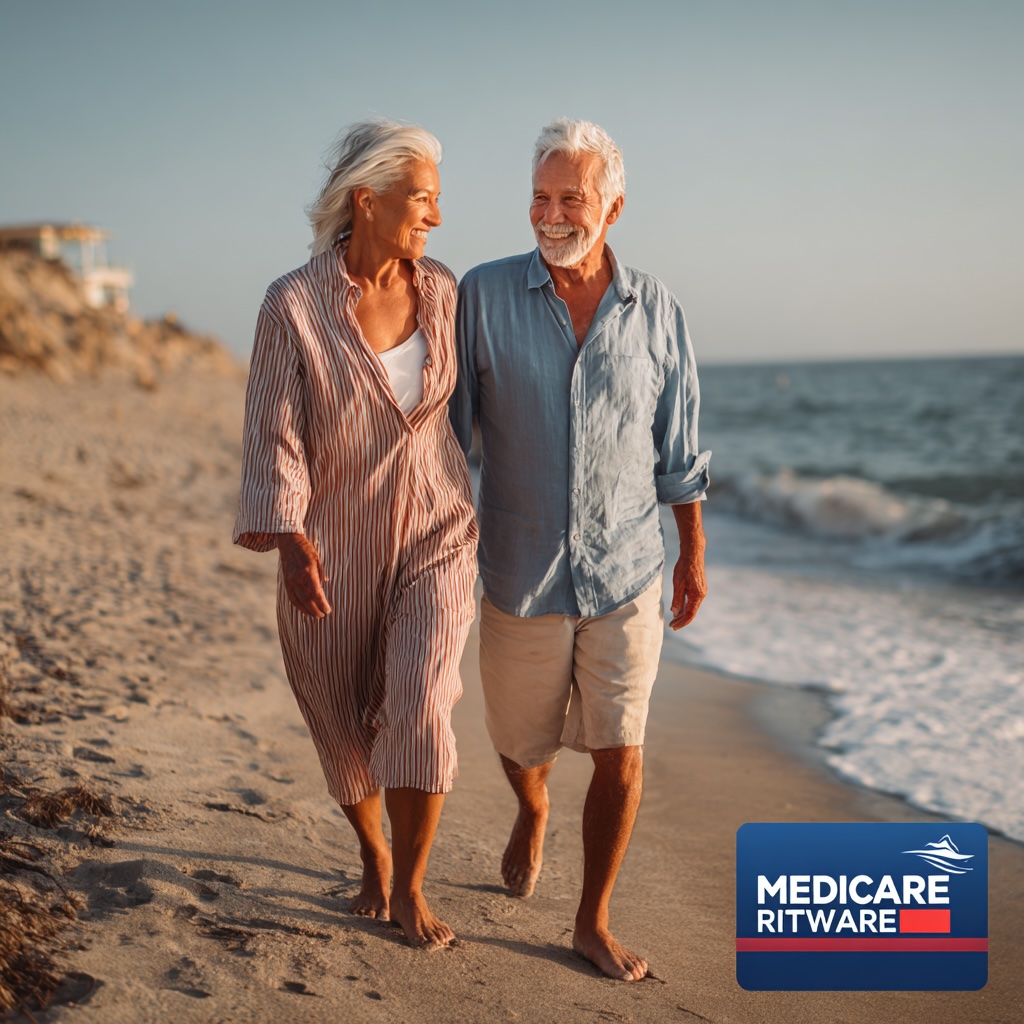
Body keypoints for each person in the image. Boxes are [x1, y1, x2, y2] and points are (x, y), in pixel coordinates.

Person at [450, 118, 710, 981]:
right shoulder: (480, 296)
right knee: (520, 742)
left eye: (573, 198)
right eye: (540, 197)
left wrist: (691, 553)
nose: (552, 214)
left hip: (628, 567)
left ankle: (591, 919)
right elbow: (448, 440)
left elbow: (679, 447)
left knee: (621, 749)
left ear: (614, 206)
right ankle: (532, 810)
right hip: (519, 570)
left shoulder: (658, 308)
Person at [234, 119, 477, 948]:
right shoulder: (292, 305)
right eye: (423, 199)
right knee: (338, 717)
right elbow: (274, 430)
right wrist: (291, 539)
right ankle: (373, 856)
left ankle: (411, 887)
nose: (435, 218)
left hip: (439, 529)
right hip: (333, 542)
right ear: (366, 200)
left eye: (438, 201)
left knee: (421, 699)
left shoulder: (442, 290)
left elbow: (487, 401)